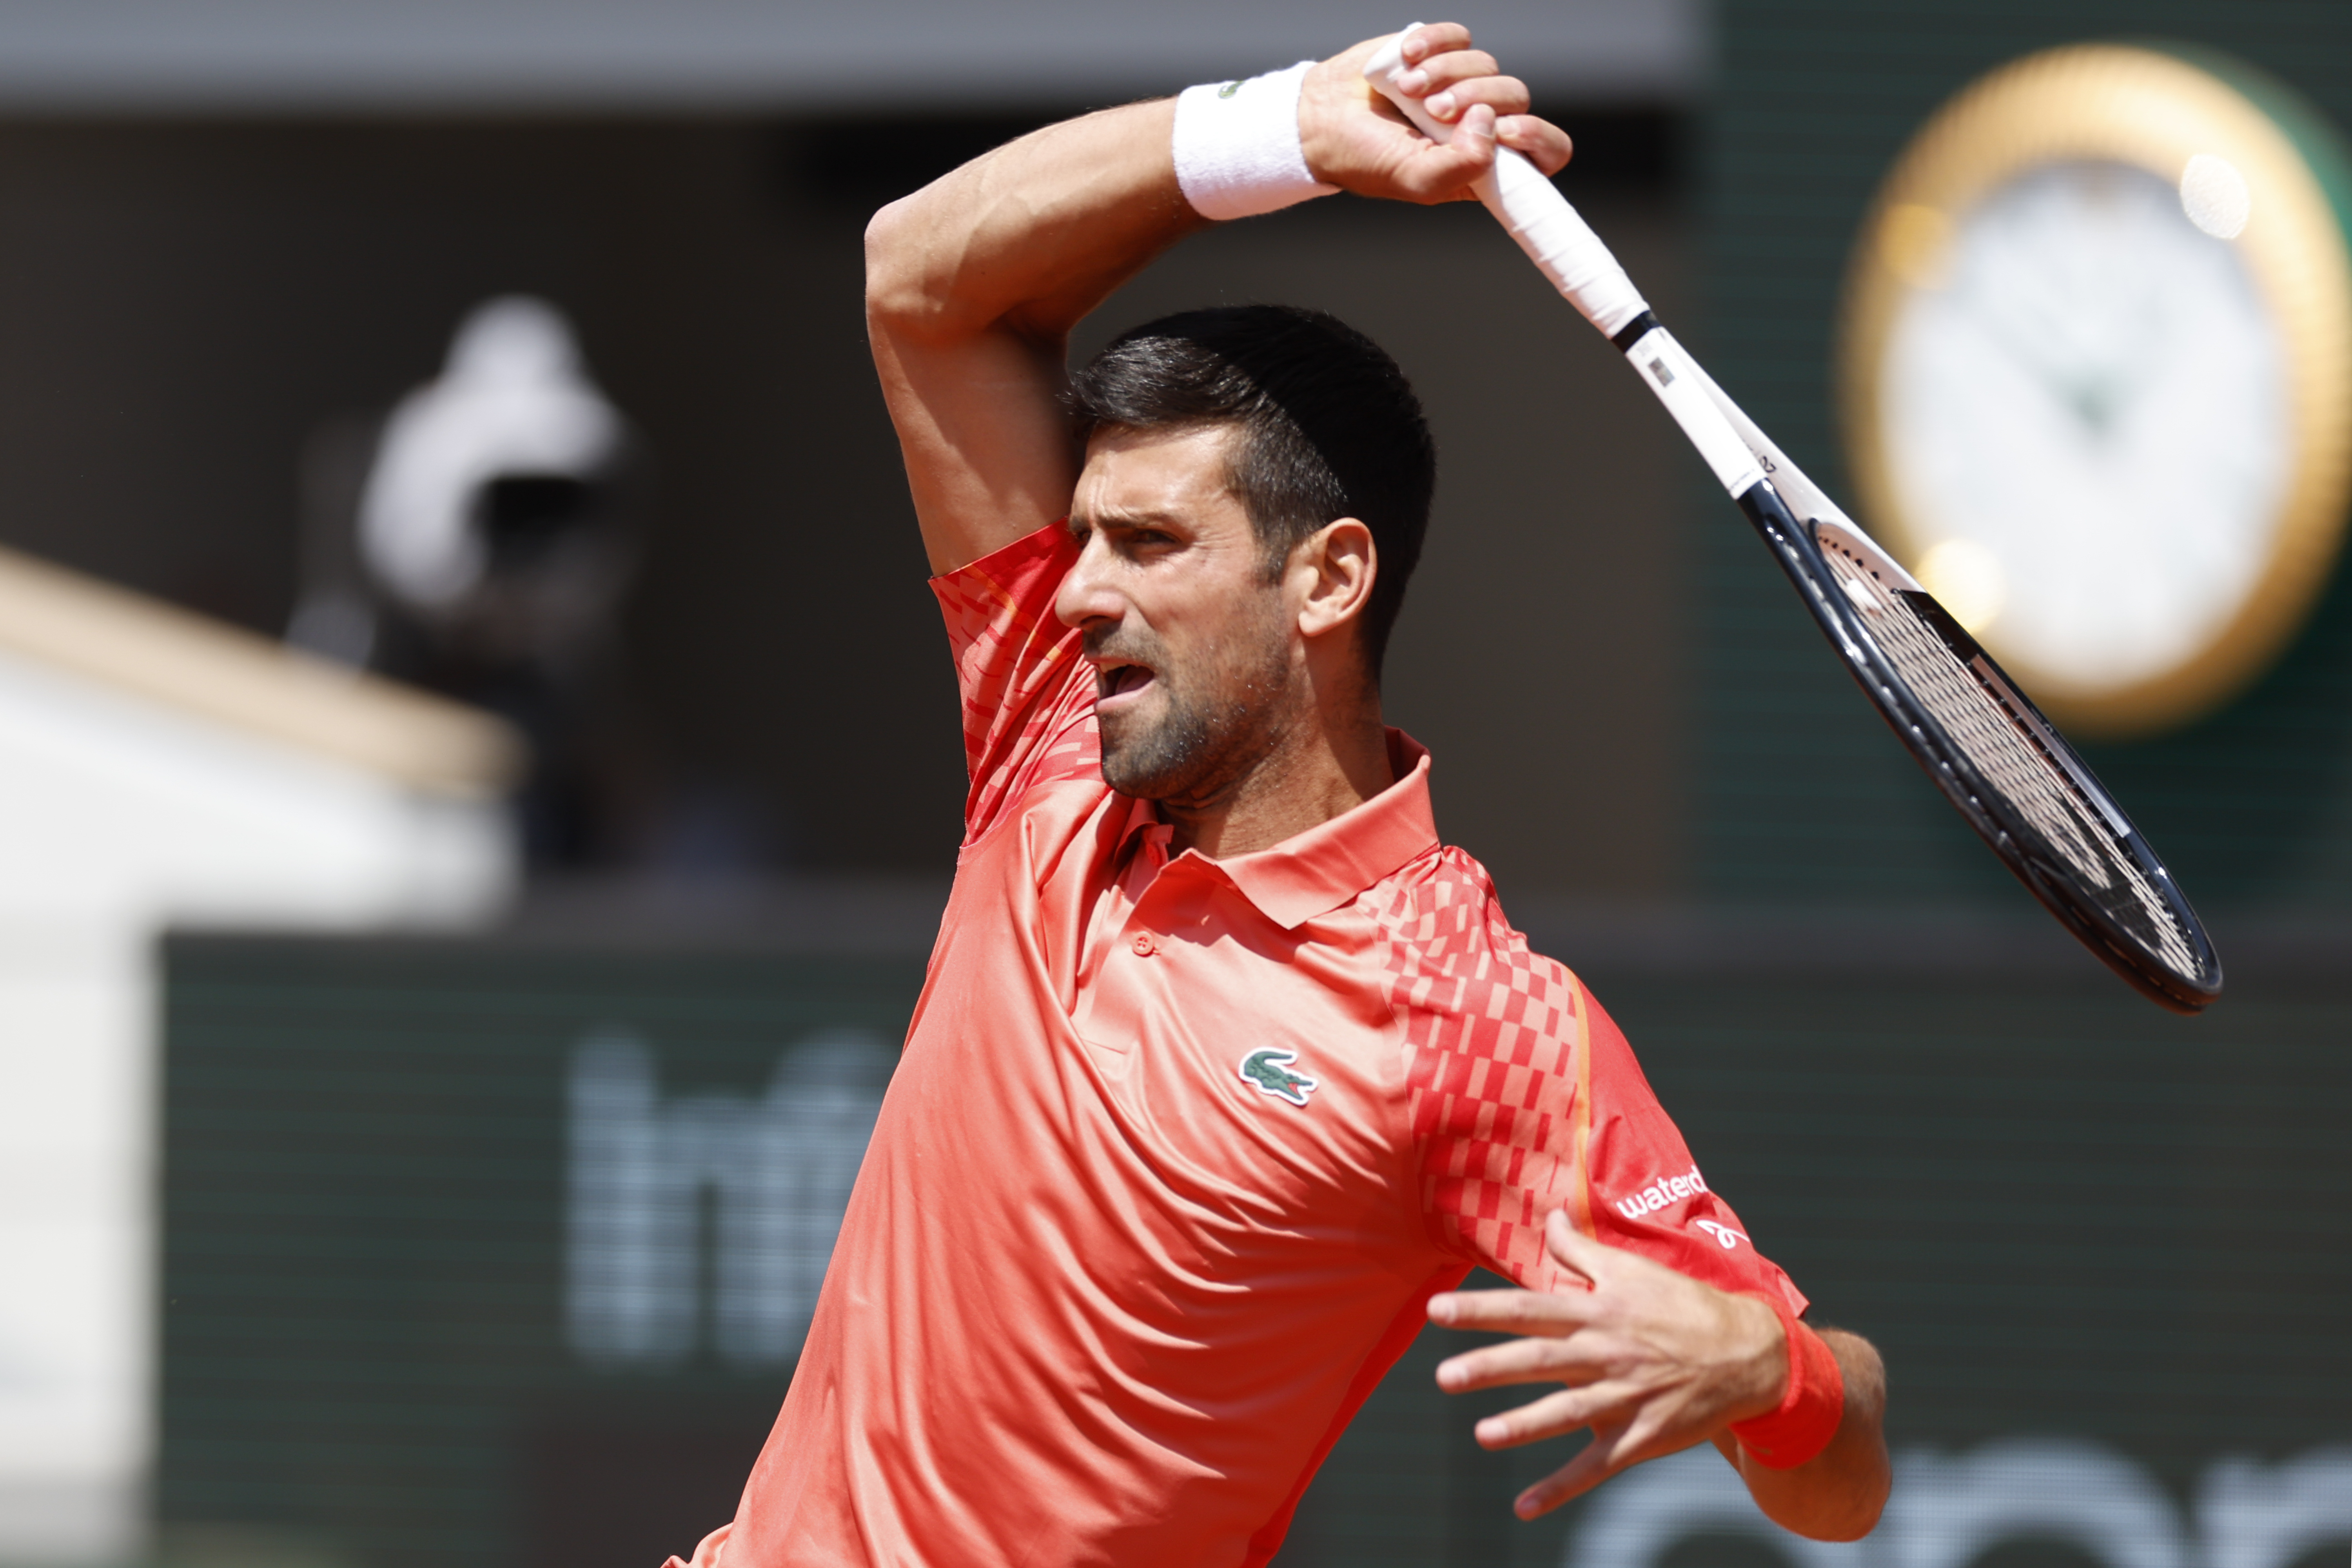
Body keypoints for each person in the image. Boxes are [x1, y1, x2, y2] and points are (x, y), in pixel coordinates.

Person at [668, 22, 1889, 1567]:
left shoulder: (1476, 1024)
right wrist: (1293, 127)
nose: (1076, 591)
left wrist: (1778, 1375)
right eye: (1088, 534)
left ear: (1328, 577)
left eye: (1153, 546)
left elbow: (1838, 1485)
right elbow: (919, 275)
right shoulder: (1052, 734)